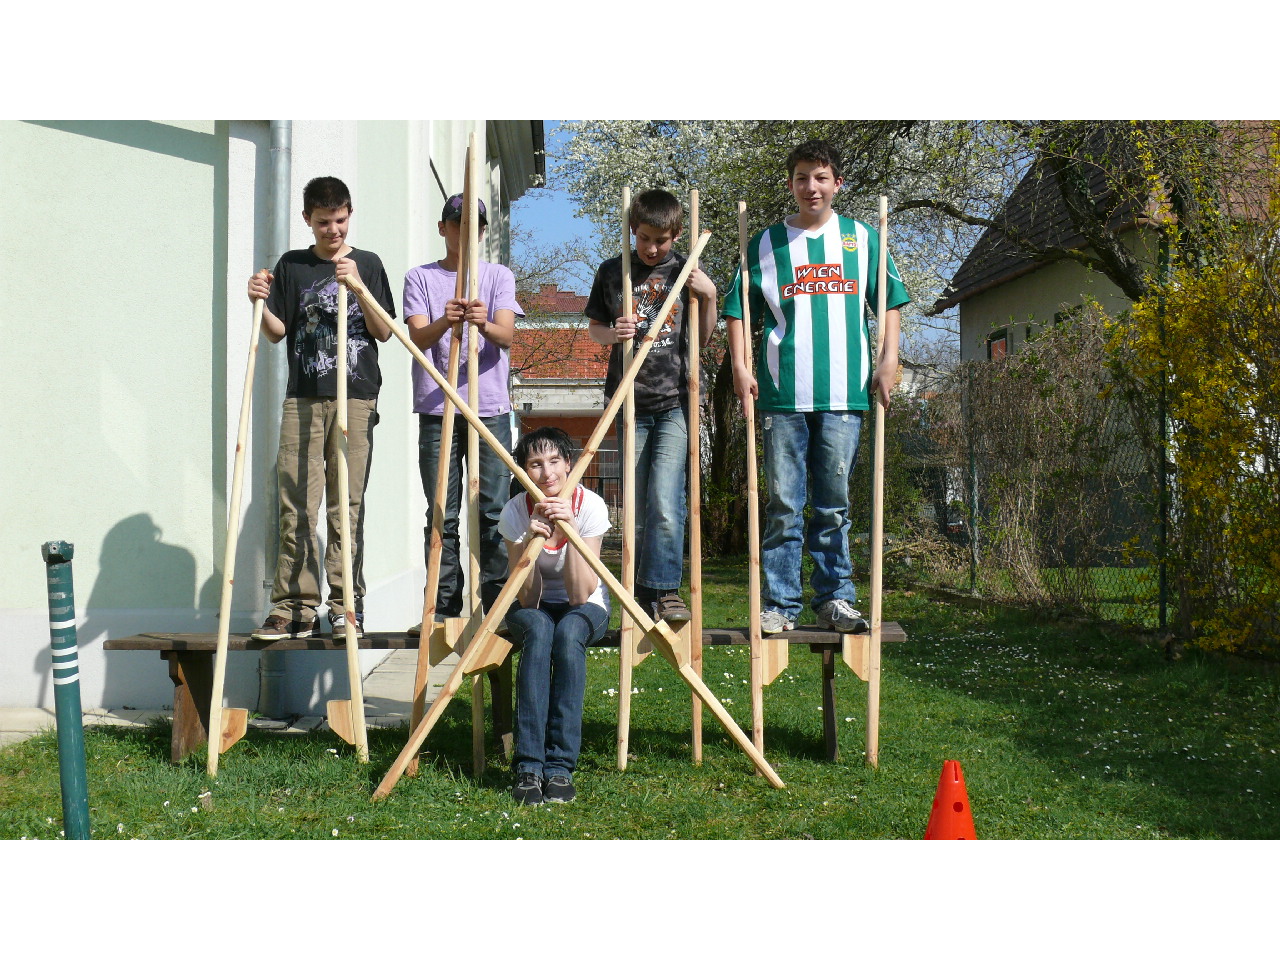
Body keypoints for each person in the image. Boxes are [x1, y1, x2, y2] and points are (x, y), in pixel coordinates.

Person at [722, 140, 910, 635]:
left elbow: (888, 301)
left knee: (834, 504)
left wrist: (889, 359)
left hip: (846, 392)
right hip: (783, 394)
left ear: (837, 183)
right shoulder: (764, 244)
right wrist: (742, 366)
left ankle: (835, 599)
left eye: (821, 177)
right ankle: (780, 604)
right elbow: (740, 309)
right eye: (803, 177)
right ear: (791, 184)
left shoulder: (863, 238)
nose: (812, 187)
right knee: (783, 504)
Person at [247, 176, 396, 640]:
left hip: (356, 396)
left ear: (350, 214)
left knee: (345, 505)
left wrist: (357, 286)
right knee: (296, 502)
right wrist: (255, 299)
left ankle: (345, 603)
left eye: (340, 220)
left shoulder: (367, 264)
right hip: (304, 397)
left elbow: (384, 331)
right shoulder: (292, 266)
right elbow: (275, 331)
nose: (333, 230)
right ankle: (293, 606)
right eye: (323, 222)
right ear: (307, 220)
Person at [585, 189, 717, 625]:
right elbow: (595, 330)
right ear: (632, 231)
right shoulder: (612, 271)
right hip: (629, 402)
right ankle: (641, 591)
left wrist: (710, 296)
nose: (651, 248)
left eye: (660, 240)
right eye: (643, 238)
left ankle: (665, 589)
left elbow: (702, 338)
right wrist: (615, 332)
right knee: (639, 502)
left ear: (677, 234)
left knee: (665, 496)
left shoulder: (686, 270)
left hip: (675, 401)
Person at [404, 194, 523, 630]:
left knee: (493, 508)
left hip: (488, 407)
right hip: (438, 408)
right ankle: (442, 608)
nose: (464, 233)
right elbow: (418, 337)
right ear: (443, 228)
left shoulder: (497, 277)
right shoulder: (420, 277)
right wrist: (446, 323)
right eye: (456, 224)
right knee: (441, 511)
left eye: (473, 226)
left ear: (483, 233)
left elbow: (506, 335)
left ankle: (498, 607)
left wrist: (480, 323)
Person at [498, 427, 611, 805]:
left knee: (567, 634)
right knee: (540, 629)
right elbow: (527, 600)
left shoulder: (590, 505)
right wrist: (530, 542)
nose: (547, 473)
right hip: (534, 606)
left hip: (586, 605)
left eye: (554, 461)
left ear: (568, 465)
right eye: (535, 464)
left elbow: (581, 593)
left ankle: (560, 768)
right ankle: (529, 767)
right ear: (524, 473)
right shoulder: (514, 512)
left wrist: (570, 528)